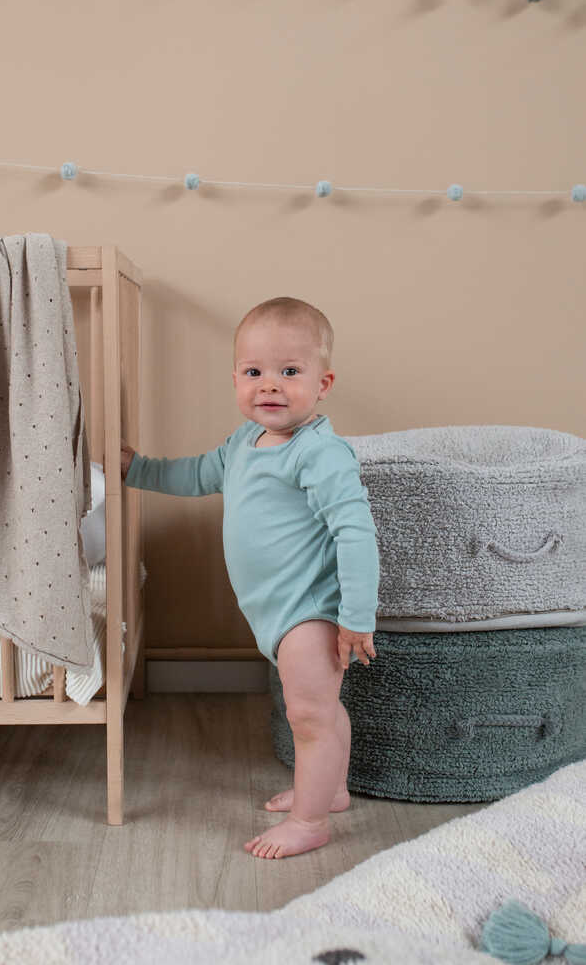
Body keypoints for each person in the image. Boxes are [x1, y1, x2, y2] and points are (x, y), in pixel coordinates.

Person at [114, 297, 379, 859]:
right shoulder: (242, 442)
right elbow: (195, 475)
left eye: (290, 372)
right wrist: (137, 468)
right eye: (255, 372)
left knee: (309, 714)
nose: (270, 386)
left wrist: (356, 616)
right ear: (236, 378)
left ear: (323, 383)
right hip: (273, 610)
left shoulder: (320, 452)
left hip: (310, 609)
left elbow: (356, 532)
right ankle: (330, 789)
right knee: (321, 709)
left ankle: (310, 822)